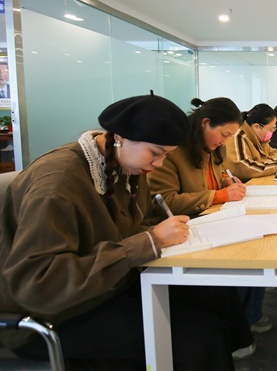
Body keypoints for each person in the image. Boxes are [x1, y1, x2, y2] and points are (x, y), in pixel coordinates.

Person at [0, 92, 253, 370]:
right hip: (56, 313)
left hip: (110, 285)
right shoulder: (57, 184)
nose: (158, 164)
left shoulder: (126, 165)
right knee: (197, 335)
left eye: (166, 156)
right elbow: (38, 284)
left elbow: (131, 225)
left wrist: (158, 233)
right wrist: (149, 241)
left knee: (215, 293)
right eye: (155, 153)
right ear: (120, 137)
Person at [147, 97, 270, 355]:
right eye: (224, 134)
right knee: (233, 270)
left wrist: (227, 181)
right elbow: (164, 201)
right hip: (186, 227)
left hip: (212, 217)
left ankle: (249, 317)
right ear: (205, 123)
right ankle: (236, 335)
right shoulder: (172, 151)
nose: (225, 142)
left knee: (256, 252)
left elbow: (219, 174)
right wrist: (219, 195)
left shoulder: (213, 147)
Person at [226, 103, 277, 182]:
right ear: (257, 127)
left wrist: (261, 164)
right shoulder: (238, 136)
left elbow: (275, 153)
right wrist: (276, 166)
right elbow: (244, 167)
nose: (272, 132)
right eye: (271, 129)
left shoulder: (260, 139)